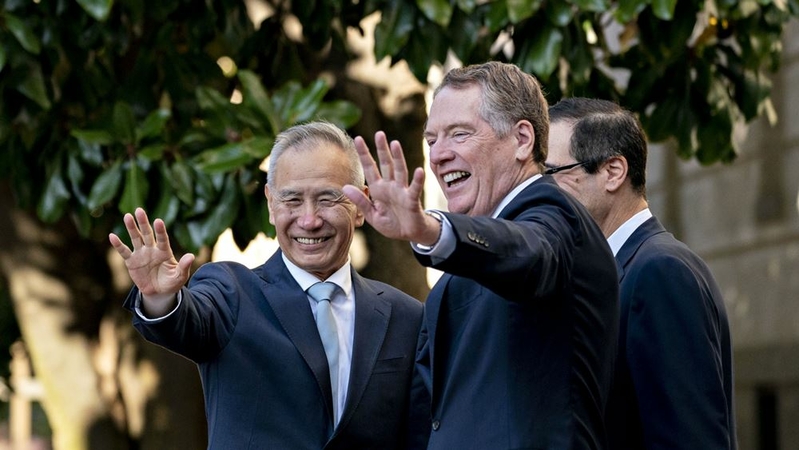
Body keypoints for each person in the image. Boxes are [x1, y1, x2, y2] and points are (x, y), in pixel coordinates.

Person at [342, 62, 620, 449]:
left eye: (459, 134)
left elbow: (528, 253)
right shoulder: (456, 274)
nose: (437, 155)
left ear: (523, 139)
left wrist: (431, 229)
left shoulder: (556, 216)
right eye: (432, 139)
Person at [109, 121, 424, 450]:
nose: (309, 220)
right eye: (292, 200)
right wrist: (160, 300)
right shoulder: (231, 294)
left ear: (361, 206)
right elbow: (186, 322)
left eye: (328, 199)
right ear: (271, 205)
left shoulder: (407, 317)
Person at [547, 97, 737, 449]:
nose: (542, 193)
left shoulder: (661, 272)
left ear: (613, 172)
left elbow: (689, 439)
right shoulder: (617, 270)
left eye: (551, 173)